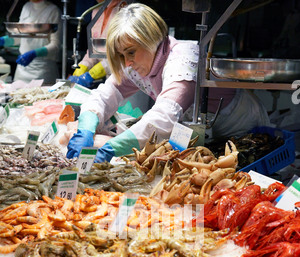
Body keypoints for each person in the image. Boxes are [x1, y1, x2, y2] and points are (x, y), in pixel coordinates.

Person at [67, 2, 269, 163]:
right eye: (122, 55)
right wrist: (86, 126)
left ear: (150, 39)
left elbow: (163, 116)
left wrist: (111, 148)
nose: (127, 62)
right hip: (205, 130)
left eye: (131, 52)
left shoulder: (183, 58)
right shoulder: (137, 61)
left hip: (238, 123)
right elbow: (105, 94)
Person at [69, 0, 128, 88]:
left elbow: (127, 53)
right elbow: (96, 48)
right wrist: (84, 65)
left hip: (129, 80)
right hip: (110, 82)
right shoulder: (96, 10)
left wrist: (99, 69)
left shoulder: (126, 9)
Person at [0, 0, 62, 84]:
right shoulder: (26, 6)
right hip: (21, 71)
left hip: (43, 71)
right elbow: (21, 36)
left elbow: (56, 45)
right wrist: (4, 40)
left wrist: (34, 53)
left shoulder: (53, 10)